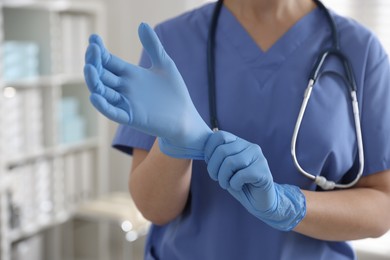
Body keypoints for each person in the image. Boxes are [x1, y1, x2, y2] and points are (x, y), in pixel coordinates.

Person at [83, 0, 390, 259]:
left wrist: (288, 206)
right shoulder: (171, 41)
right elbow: (154, 208)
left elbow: (382, 207)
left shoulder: (362, 52)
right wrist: (173, 145)